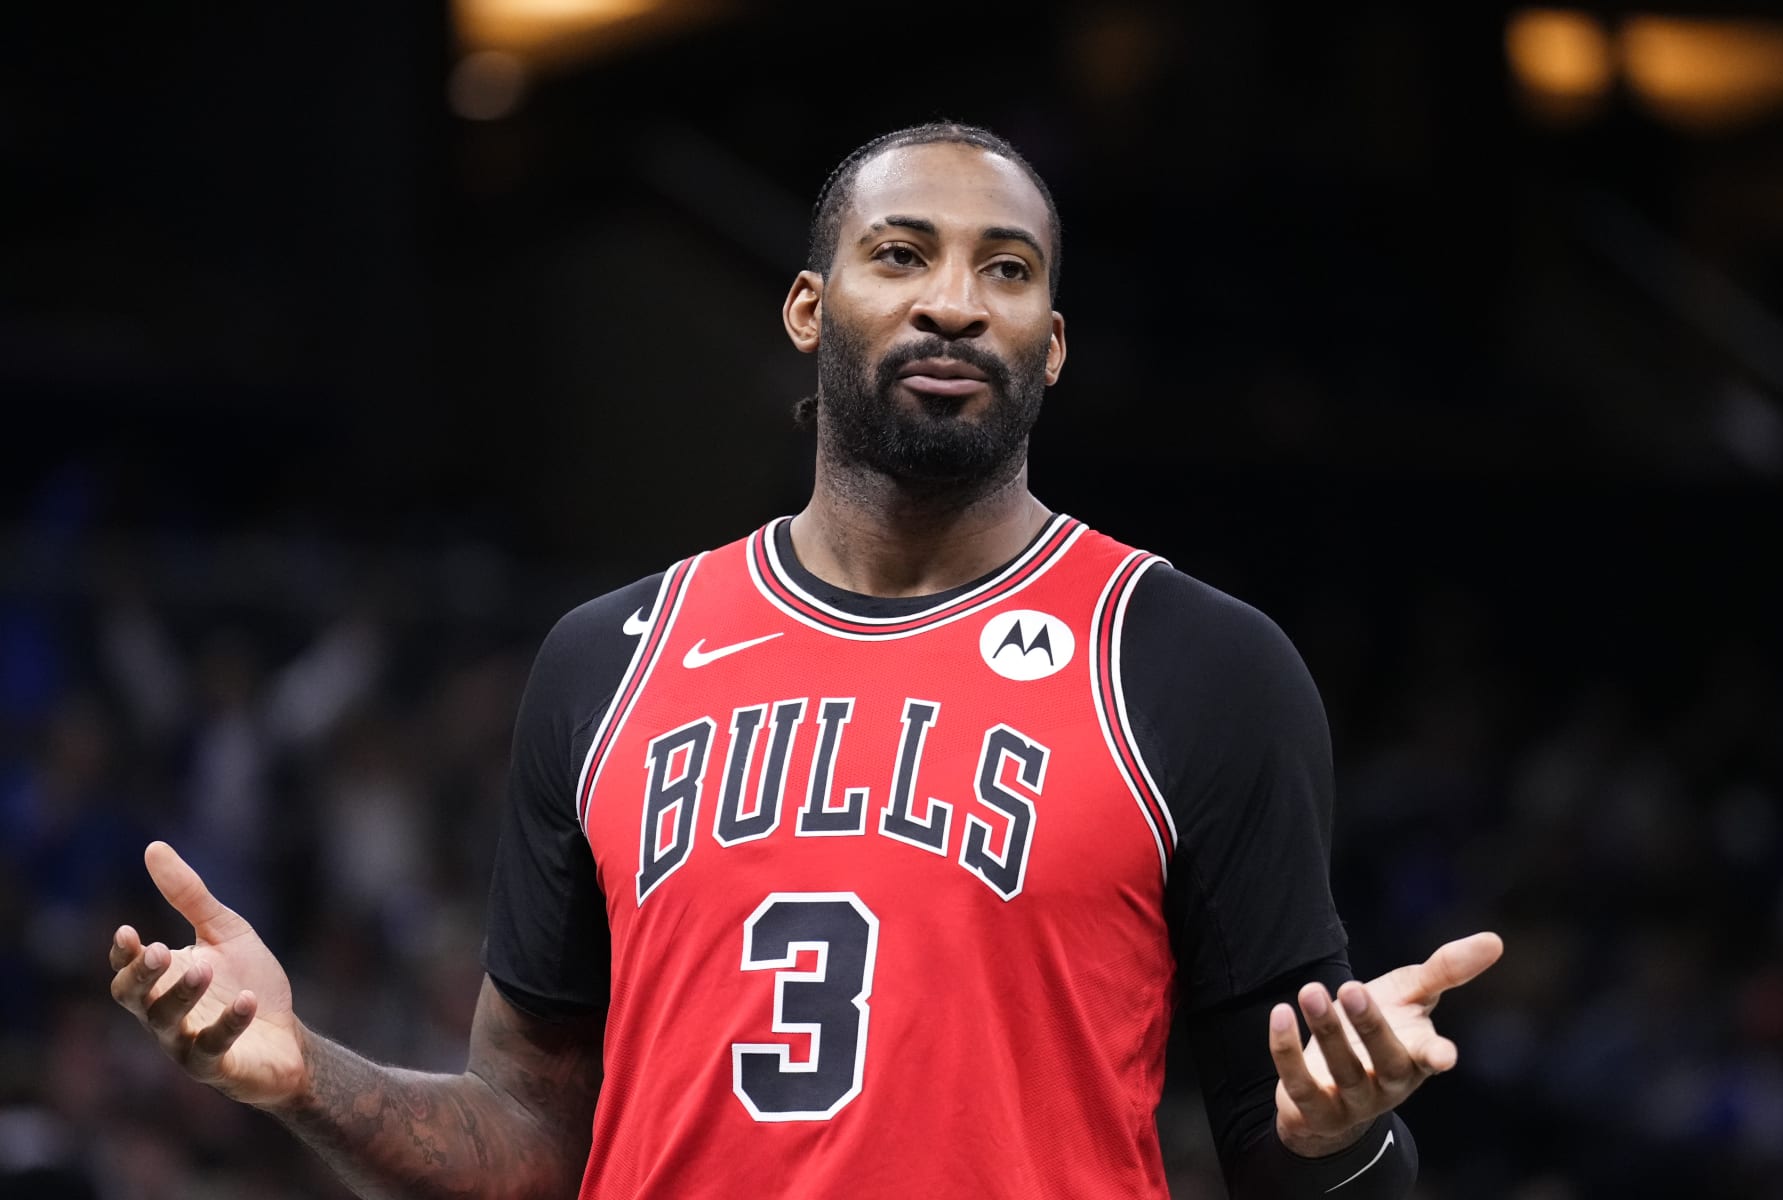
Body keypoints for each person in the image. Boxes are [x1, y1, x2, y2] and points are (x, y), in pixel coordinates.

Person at [107, 121, 1503, 1199]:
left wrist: (1339, 1141)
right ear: (807, 307)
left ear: (1054, 345)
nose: (955, 302)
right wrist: (303, 1080)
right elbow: (528, 1140)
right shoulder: (607, 662)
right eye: (902, 254)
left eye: (1005, 271)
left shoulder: (1194, 663)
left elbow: (1296, 1159)